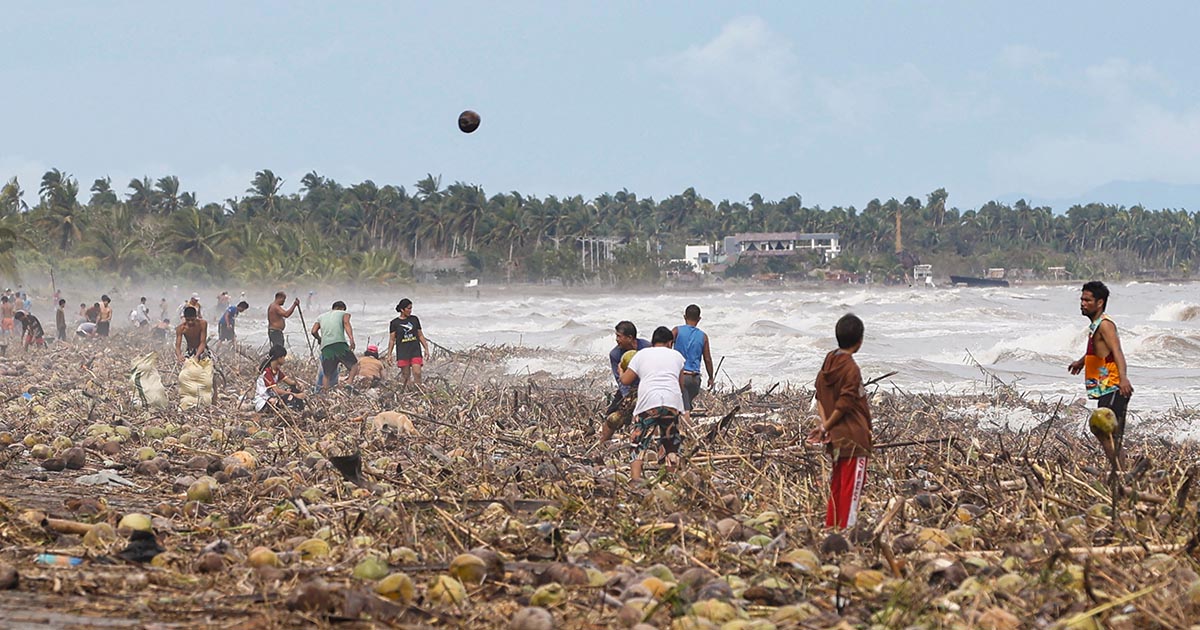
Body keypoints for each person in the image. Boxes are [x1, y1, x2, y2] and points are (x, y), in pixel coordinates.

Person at [808, 314, 873, 530]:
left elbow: (820, 397)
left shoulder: (829, 362)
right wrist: (826, 426)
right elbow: (844, 405)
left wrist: (826, 426)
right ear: (860, 341)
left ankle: (832, 526)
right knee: (852, 486)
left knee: (838, 483)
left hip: (836, 436)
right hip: (854, 437)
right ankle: (846, 529)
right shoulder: (851, 368)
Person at [1068, 281, 1134, 470]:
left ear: (1099, 303)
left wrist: (1123, 379)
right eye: (1081, 299)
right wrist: (1081, 362)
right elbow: (1099, 349)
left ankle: (1120, 473)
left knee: (1108, 434)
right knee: (1107, 433)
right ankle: (1119, 471)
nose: (1082, 303)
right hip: (1106, 387)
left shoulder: (1105, 325)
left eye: (1087, 300)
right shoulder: (1095, 325)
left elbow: (1117, 351)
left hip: (1114, 386)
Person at [619, 326, 685, 482]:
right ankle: (671, 480)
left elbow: (626, 381)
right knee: (671, 443)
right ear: (670, 342)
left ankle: (635, 481)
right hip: (672, 402)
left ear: (652, 342)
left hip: (648, 402)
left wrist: (621, 371)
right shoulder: (677, 356)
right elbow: (680, 385)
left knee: (638, 443)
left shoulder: (642, 354)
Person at [598, 321, 651, 444]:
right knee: (611, 417)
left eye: (619, 336)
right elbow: (620, 380)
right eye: (616, 336)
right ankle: (602, 444)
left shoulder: (647, 347)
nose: (617, 340)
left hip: (647, 386)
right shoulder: (615, 354)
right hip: (629, 388)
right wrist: (628, 398)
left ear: (630, 337)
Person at [672, 304, 715, 424]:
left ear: (684, 317)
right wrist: (711, 377)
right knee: (686, 404)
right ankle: (683, 424)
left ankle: (686, 429)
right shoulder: (703, 336)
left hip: (681, 377)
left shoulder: (676, 331)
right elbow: (707, 359)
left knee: (684, 408)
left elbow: (665, 344)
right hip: (695, 379)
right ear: (699, 319)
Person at [310, 301, 357, 389]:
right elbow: (346, 323)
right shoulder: (343, 313)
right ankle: (349, 383)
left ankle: (325, 393)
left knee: (327, 374)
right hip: (339, 344)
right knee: (354, 365)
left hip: (326, 347)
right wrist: (351, 339)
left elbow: (313, 331)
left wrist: (320, 339)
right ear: (342, 308)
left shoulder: (321, 317)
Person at [386, 298, 430, 389]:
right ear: (402, 309)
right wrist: (389, 354)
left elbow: (420, 335)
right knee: (406, 376)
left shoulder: (414, 319)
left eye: (411, 308)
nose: (410, 310)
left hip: (415, 350)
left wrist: (426, 348)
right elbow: (392, 340)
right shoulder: (394, 323)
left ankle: (418, 390)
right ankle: (408, 391)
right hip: (403, 352)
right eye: (408, 308)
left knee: (417, 372)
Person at [254, 345, 306, 412]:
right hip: (264, 401)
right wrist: (294, 395)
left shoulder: (276, 370)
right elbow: (276, 390)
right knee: (289, 396)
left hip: (273, 397)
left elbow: (290, 382)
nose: (284, 359)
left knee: (294, 389)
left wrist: (298, 384)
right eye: (284, 357)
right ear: (279, 358)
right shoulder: (267, 372)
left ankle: (299, 410)